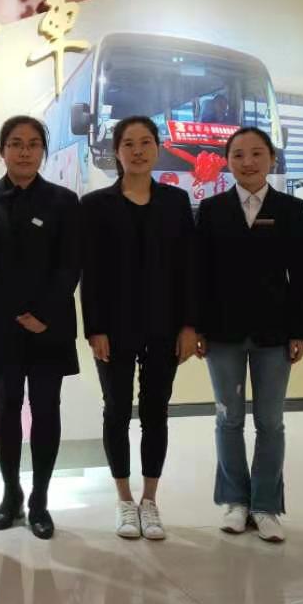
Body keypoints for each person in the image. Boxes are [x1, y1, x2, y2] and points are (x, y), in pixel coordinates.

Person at [0, 115, 81, 539]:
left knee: (46, 409)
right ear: (2, 151)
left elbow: (71, 264)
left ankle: (40, 500)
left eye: (33, 144)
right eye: (15, 143)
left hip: (50, 323)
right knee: (6, 407)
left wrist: (44, 313)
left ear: (43, 152)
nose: (24, 151)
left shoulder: (64, 201)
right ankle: (11, 494)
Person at [194, 127, 303, 543]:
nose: (248, 162)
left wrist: (299, 330)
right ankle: (235, 501)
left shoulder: (292, 209)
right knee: (228, 418)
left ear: (272, 159)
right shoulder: (211, 210)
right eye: (238, 155)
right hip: (222, 333)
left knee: (270, 422)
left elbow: (302, 274)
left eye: (257, 153)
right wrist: (198, 327)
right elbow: (200, 275)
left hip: (274, 333)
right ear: (227, 161)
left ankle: (265, 506)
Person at [80, 116, 197, 541]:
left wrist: (190, 325)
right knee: (116, 410)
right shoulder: (95, 205)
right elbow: (90, 273)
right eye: (128, 143)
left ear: (157, 147)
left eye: (146, 142)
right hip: (114, 328)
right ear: (117, 151)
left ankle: (150, 500)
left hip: (165, 326)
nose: (138, 151)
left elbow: (189, 268)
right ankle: (124, 501)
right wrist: (94, 328)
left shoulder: (176, 202)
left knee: (155, 411)